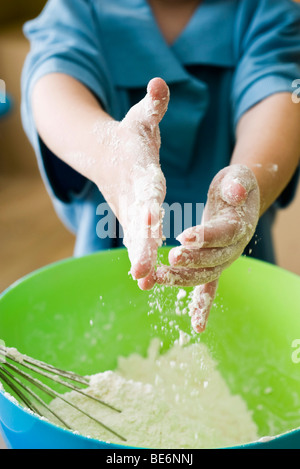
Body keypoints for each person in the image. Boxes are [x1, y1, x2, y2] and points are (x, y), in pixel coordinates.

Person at [21, 0, 300, 333]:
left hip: (244, 284)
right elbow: (52, 83)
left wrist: (244, 182)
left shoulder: (266, 11)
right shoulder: (79, 9)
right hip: (103, 283)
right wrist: (109, 150)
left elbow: (280, 96)